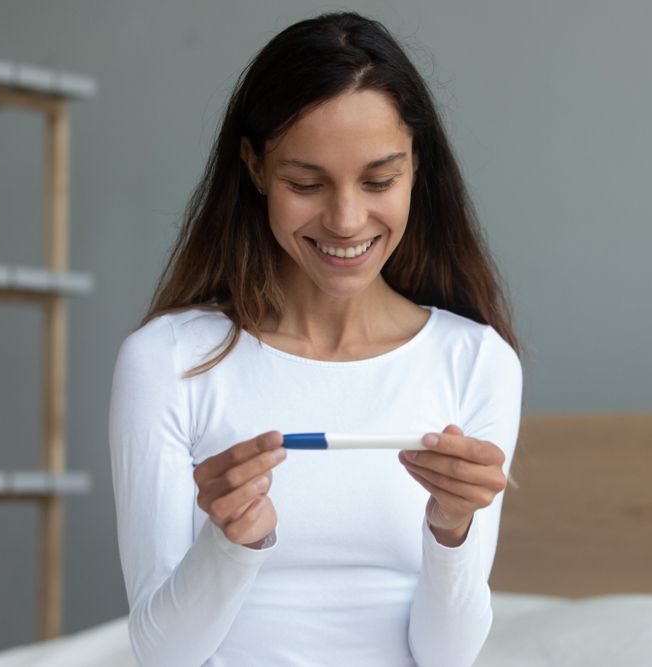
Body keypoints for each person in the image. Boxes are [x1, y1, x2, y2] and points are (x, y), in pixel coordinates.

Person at [109, 11, 523, 667]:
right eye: (306, 184)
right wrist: (231, 543)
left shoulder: (476, 361)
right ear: (254, 166)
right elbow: (163, 654)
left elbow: (447, 657)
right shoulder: (169, 360)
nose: (346, 220)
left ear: (417, 164)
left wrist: (452, 529)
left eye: (380, 180)